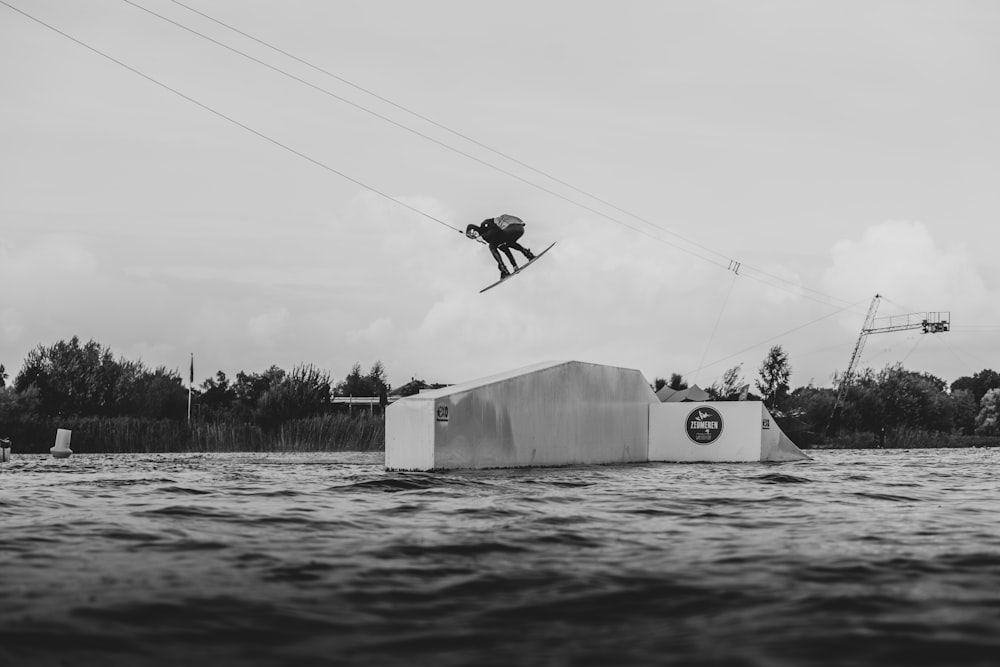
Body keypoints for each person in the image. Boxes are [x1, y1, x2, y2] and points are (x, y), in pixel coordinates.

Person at [466, 214, 535, 279]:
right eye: (472, 236)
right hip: (519, 229)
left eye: (473, 232)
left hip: (513, 226)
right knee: (509, 243)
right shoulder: (490, 238)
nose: (474, 235)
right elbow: (505, 249)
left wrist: (483, 236)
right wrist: (514, 265)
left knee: (492, 246)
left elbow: (496, 230)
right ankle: (528, 254)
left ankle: (503, 270)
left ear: (475, 228)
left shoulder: (484, 225)